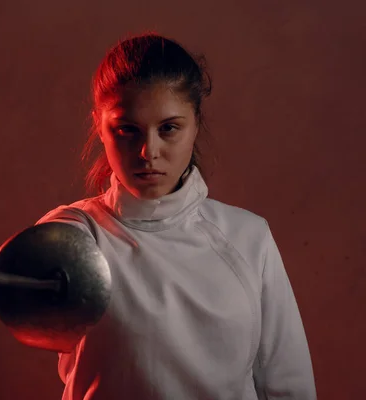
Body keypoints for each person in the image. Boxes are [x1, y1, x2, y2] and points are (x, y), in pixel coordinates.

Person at [35, 33, 317, 399]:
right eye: (127, 129)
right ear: (100, 127)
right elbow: (44, 257)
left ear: (196, 123)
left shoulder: (248, 237)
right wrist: (36, 261)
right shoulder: (78, 232)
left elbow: (288, 385)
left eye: (168, 128)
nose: (148, 151)